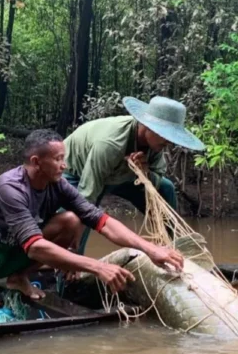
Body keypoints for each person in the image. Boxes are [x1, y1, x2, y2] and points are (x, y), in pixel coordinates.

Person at [0, 129, 185, 327]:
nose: (64, 165)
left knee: (72, 220)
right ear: (36, 162)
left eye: (63, 158)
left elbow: (102, 221)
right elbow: (34, 247)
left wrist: (151, 249)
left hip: (16, 253)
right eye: (57, 159)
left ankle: (17, 277)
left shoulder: (58, 185)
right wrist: (97, 266)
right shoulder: (10, 188)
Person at [63, 96, 206, 255]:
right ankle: (68, 271)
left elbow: (156, 179)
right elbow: (86, 197)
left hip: (118, 176)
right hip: (77, 174)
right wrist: (73, 250)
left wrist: (145, 172)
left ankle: (167, 250)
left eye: (172, 137)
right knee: (77, 216)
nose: (169, 142)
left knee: (166, 189)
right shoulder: (111, 143)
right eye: (165, 134)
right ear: (146, 126)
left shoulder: (156, 145)